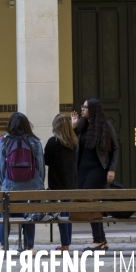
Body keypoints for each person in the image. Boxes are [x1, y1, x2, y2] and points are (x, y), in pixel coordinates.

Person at [71, 98, 119, 252]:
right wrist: (73, 126)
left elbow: (116, 148)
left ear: (93, 110)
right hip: (83, 170)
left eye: (85, 107)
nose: (82, 109)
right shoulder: (82, 125)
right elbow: (70, 142)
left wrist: (112, 169)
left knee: (92, 203)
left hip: (98, 170)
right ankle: (102, 240)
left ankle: (98, 240)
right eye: (82, 106)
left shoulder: (105, 126)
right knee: (92, 203)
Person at [0, 112, 45, 255]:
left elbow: (1, 167)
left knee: (4, 213)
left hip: (10, 186)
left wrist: (5, 182)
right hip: (32, 185)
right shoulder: (34, 141)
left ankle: (3, 245)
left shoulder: (6, 141)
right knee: (29, 212)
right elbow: (40, 166)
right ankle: (29, 247)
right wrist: (39, 183)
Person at [44, 114, 78, 254]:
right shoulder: (74, 142)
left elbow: (46, 160)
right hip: (71, 183)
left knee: (61, 215)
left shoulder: (53, 141)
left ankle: (65, 246)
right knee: (67, 213)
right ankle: (66, 243)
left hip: (56, 184)